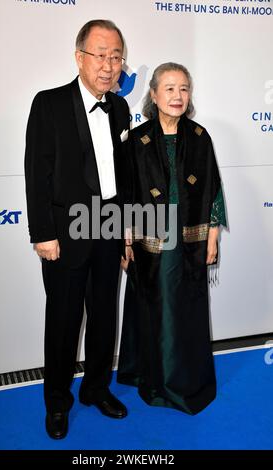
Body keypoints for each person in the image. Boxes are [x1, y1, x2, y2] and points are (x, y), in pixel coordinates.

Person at [24, 19, 130, 439]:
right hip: (64, 236)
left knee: (105, 316)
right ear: (79, 57)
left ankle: (97, 389)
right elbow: (37, 173)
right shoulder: (48, 104)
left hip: (109, 229)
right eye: (100, 55)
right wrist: (42, 233)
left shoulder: (120, 107)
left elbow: (125, 177)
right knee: (65, 321)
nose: (108, 65)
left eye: (116, 56)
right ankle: (56, 402)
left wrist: (127, 232)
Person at [118, 62, 227, 415]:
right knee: (157, 310)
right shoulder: (136, 139)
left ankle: (188, 381)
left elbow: (214, 190)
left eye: (183, 88)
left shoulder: (200, 136)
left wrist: (213, 236)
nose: (177, 96)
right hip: (153, 242)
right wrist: (126, 240)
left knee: (190, 310)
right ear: (153, 94)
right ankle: (157, 381)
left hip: (192, 240)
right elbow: (127, 194)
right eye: (169, 88)